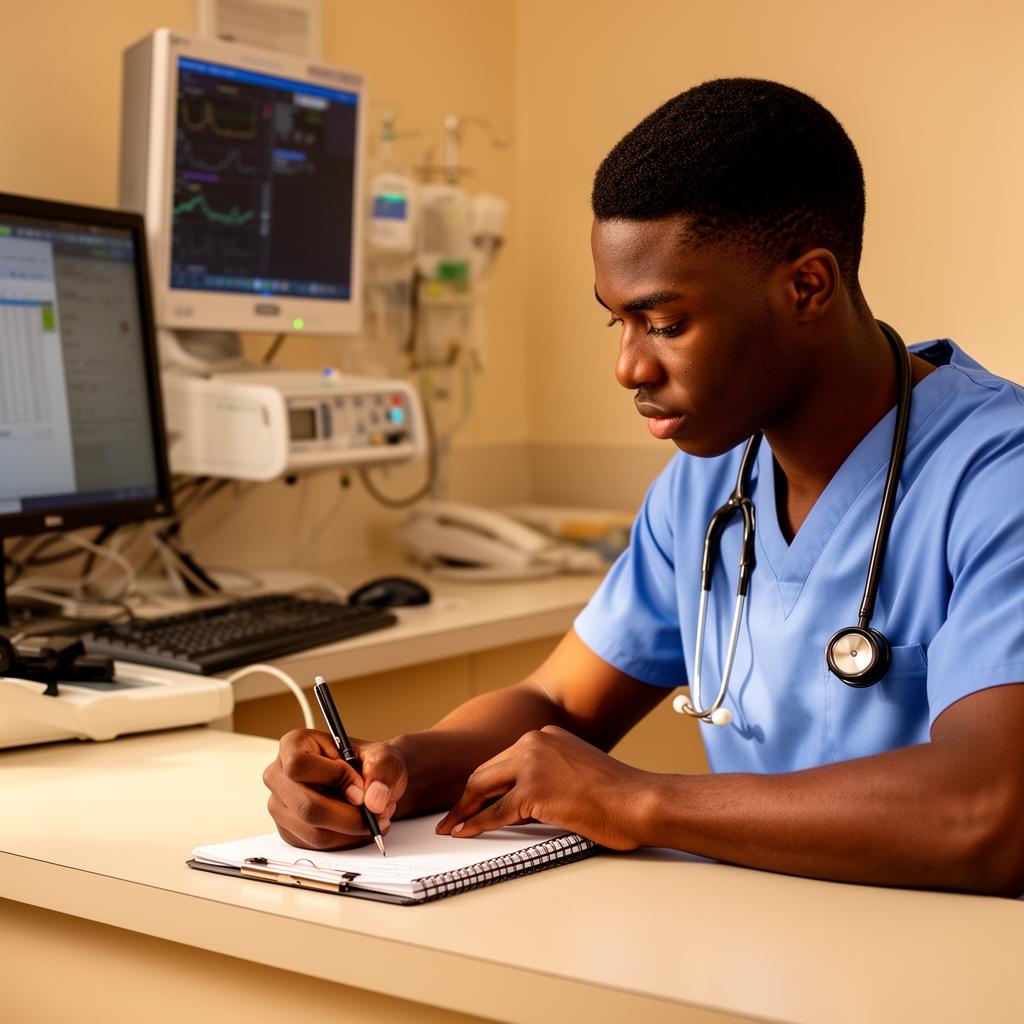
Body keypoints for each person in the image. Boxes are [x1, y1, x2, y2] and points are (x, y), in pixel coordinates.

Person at [264, 79, 1024, 896]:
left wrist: (640, 800)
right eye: (616, 321)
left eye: (665, 324)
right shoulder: (706, 484)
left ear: (807, 287)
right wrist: (397, 768)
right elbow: (561, 698)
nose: (628, 366)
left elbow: (987, 813)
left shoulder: (997, 478)